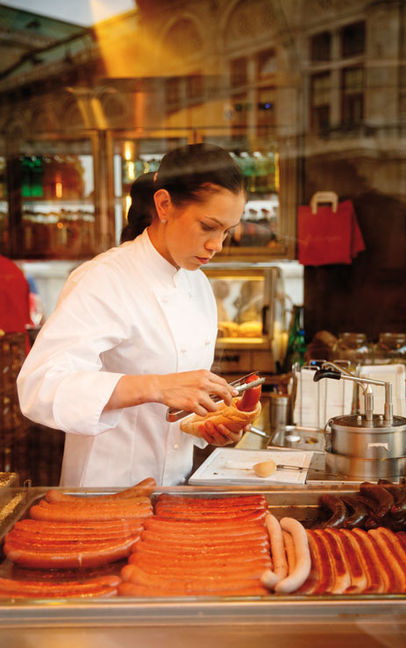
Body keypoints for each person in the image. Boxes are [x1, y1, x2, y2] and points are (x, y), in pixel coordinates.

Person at [17, 143, 247, 487]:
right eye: (208, 226)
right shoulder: (103, 279)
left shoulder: (198, 286)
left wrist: (211, 426)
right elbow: (40, 386)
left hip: (173, 492)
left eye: (226, 231)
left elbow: (181, 405)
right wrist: (155, 386)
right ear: (165, 204)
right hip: (105, 491)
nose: (217, 244)